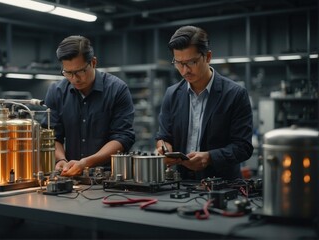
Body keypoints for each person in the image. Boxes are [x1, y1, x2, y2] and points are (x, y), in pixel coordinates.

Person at [155, 25, 253, 180]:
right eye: (179, 63)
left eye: (191, 62)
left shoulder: (235, 94)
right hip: (181, 184)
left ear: (207, 57)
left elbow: (243, 147)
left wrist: (210, 157)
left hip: (222, 185)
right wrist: (164, 149)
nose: (185, 70)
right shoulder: (172, 94)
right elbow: (163, 136)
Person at [41, 35, 135, 177]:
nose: (75, 79)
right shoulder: (56, 92)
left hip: (110, 177)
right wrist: (61, 159)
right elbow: (52, 136)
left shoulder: (117, 89)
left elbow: (122, 137)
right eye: (68, 73)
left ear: (93, 62)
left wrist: (86, 162)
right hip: (72, 177)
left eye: (79, 71)